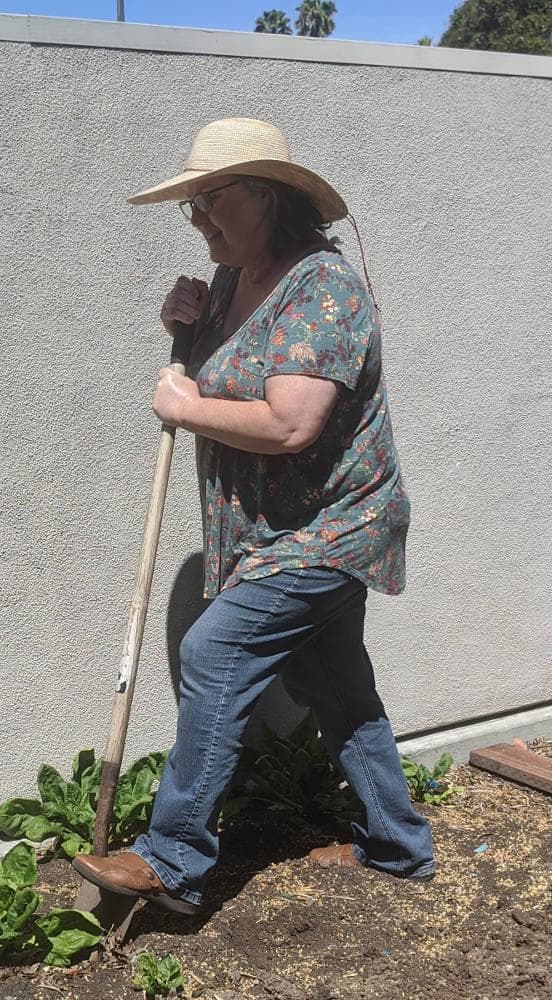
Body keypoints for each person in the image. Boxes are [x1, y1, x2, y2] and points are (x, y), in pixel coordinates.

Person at [73, 117, 435, 914]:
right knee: (335, 685)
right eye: (190, 204)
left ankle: (174, 858)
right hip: (271, 533)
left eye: (210, 199)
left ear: (264, 197)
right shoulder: (237, 282)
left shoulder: (323, 288)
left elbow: (289, 422)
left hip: (331, 527)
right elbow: (233, 376)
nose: (197, 217)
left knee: (212, 651)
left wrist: (185, 402)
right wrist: (190, 329)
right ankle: (400, 844)